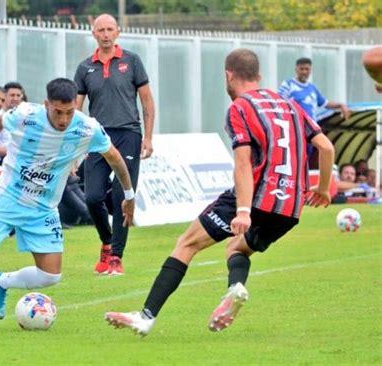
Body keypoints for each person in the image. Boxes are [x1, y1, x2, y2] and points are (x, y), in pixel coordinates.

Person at [104, 48, 335, 336]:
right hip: (290, 208)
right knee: (237, 247)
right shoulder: (290, 105)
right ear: (258, 76)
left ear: (228, 75)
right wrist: (323, 189)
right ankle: (235, 288)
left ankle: (146, 316)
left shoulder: (240, 107)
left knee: (187, 244)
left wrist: (242, 211)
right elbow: (326, 147)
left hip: (255, 197)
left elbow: (242, 163)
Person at [0, 78, 135, 334]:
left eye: (69, 112)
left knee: (50, 277)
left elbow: (113, 156)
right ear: (47, 104)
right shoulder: (26, 114)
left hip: (42, 210)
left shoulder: (86, 128)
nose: (64, 119)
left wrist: (129, 195)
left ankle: (1, 281)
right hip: (7, 199)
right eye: (58, 112)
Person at [74, 13, 155, 275]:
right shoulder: (84, 67)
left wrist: (149, 137)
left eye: (110, 29)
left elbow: (147, 102)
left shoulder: (132, 61)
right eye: (101, 30)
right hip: (97, 137)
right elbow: (76, 110)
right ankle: (107, 243)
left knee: (122, 195)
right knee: (92, 196)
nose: (106, 34)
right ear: (94, 34)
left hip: (128, 135)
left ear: (117, 32)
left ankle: (117, 257)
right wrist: (75, 147)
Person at [278, 57, 351, 122]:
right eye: (301, 69)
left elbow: (325, 103)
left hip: (311, 128)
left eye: (307, 69)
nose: (304, 72)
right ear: (296, 70)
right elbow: (278, 102)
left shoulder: (312, 88)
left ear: (310, 71)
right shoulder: (288, 84)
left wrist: (341, 105)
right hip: (296, 127)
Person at [0, 81, 26, 163]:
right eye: (12, 95)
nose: (15, 98)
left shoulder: (23, 118)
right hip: (2, 161)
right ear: (4, 97)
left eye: (18, 95)